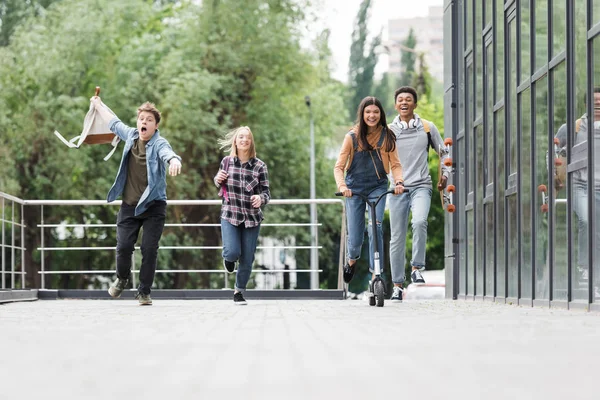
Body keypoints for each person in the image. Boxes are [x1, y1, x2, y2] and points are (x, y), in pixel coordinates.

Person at [90, 96, 182, 306]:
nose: (144, 122)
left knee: (149, 249)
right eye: (142, 118)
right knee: (123, 247)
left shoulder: (159, 143)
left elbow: (168, 153)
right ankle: (122, 279)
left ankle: (144, 292)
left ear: (155, 125)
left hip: (153, 207)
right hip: (129, 206)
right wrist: (98, 105)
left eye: (149, 120)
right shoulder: (131, 135)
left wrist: (175, 160)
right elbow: (113, 122)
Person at [333, 96, 404, 291]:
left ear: (380, 114)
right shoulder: (352, 137)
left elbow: (396, 164)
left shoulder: (387, 136)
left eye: (375, 112)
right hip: (353, 189)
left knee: (376, 227)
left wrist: (399, 181)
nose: (372, 115)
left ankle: (376, 272)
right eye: (368, 112)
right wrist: (342, 187)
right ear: (362, 114)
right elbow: (339, 167)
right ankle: (352, 260)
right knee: (355, 238)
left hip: (377, 186)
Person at [387, 86, 450, 302]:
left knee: (420, 221)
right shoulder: (388, 132)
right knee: (397, 238)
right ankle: (396, 285)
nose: (404, 102)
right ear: (396, 105)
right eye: (400, 100)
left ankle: (417, 267)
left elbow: (444, 153)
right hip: (396, 189)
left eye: (408, 99)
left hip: (422, 185)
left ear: (415, 104)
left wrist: (445, 175)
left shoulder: (427, 128)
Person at [213, 126, 270, 305]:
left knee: (247, 257)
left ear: (251, 142)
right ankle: (228, 260)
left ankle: (239, 291)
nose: (244, 140)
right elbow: (219, 185)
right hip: (230, 213)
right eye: (241, 137)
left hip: (251, 218)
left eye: (248, 137)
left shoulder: (260, 166)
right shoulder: (226, 162)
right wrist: (217, 179)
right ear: (235, 141)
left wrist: (260, 199)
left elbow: (267, 194)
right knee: (232, 252)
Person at [554, 88, 600, 297]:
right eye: (594, 101)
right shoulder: (573, 128)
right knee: (587, 221)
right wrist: (556, 172)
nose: (598, 104)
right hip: (580, 184)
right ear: (586, 104)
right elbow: (553, 151)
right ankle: (585, 267)